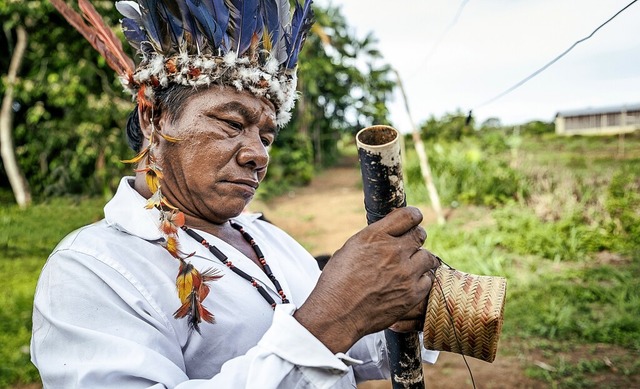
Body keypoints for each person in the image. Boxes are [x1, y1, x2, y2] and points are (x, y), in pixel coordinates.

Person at [33, 0, 440, 387]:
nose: (258, 155)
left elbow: (357, 356)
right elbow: (331, 328)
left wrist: (394, 309)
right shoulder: (90, 269)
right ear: (152, 119)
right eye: (231, 123)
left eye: (266, 136)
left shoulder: (268, 238)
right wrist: (327, 322)